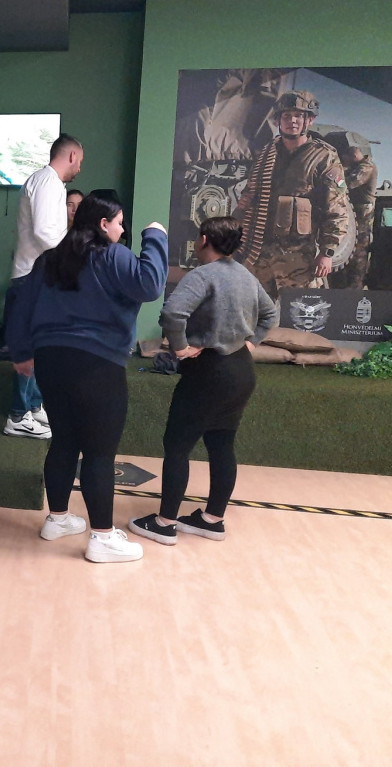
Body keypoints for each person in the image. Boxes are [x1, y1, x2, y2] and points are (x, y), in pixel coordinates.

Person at [7, 194, 168, 563]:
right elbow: (150, 285)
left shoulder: (50, 259)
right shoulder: (113, 255)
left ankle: (58, 519)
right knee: (99, 452)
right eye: (120, 223)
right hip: (98, 365)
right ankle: (103, 538)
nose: (122, 230)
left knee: (63, 441)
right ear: (103, 224)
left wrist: (20, 353)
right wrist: (155, 237)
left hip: (50, 361)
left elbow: (20, 306)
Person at [129, 217, 278, 545]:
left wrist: (180, 348)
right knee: (222, 444)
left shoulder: (202, 275)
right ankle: (212, 520)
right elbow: (270, 314)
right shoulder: (245, 275)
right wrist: (250, 344)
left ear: (205, 240)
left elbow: (172, 314)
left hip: (208, 372)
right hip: (241, 370)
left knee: (178, 446)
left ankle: (165, 523)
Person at [3, 133, 84, 440]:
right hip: (32, 277)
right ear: (72, 156)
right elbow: (44, 231)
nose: (79, 169)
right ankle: (18, 415)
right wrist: (72, 258)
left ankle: (33, 406)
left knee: (39, 345)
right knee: (30, 346)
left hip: (36, 275)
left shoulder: (47, 182)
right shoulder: (48, 182)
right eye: (80, 161)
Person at [234, 90, 351, 300]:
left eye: (298, 116)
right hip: (258, 253)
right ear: (278, 120)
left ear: (309, 120)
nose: (292, 121)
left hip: (298, 259)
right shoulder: (266, 153)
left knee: (298, 314)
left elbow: (336, 209)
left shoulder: (323, 156)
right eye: (286, 116)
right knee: (254, 313)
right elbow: (249, 197)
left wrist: (327, 252)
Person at [327, 131, 377, 291]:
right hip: (349, 218)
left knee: (357, 258)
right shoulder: (354, 167)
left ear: (354, 155)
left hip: (361, 220)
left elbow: (347, 184)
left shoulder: (366, 167)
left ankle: (354, 291)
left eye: (346, 156)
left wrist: (333, 178)